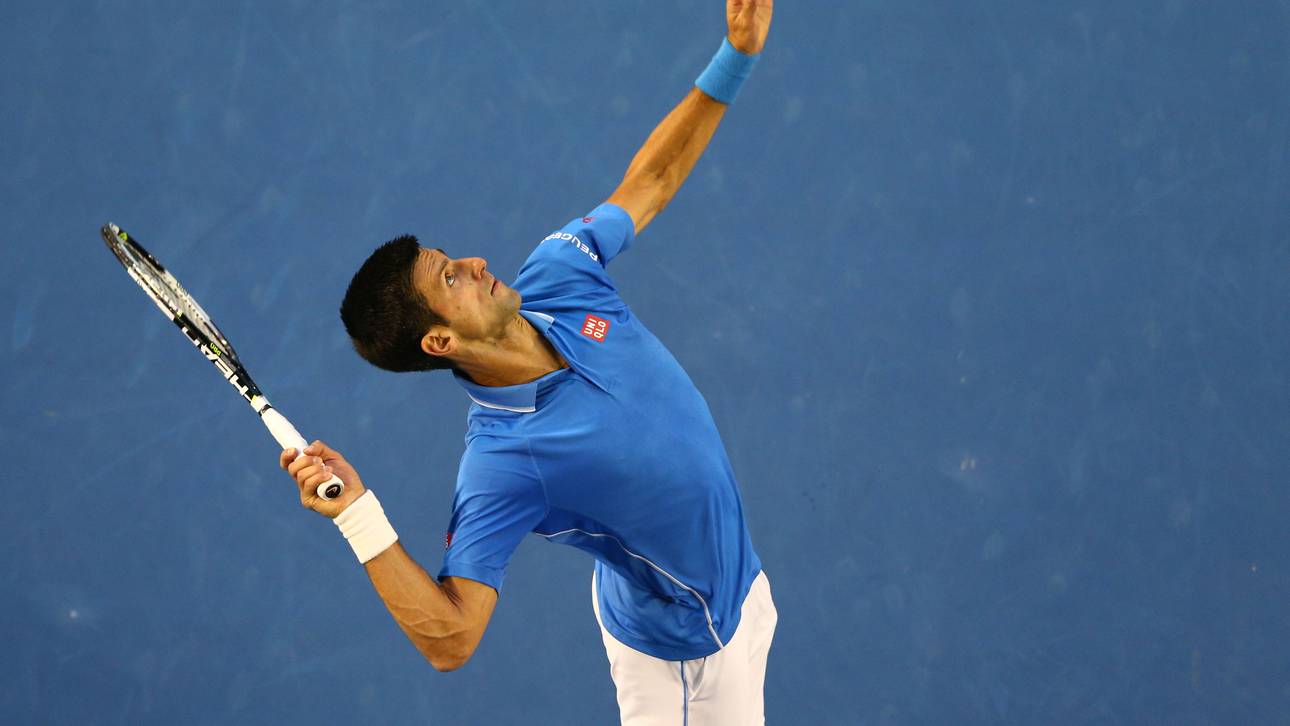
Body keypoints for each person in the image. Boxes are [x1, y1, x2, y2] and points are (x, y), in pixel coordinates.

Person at [280, 1, 776, 722]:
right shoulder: (504, 464)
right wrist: (356, 513)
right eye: (452, 278)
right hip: (682, 649)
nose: (476, 264)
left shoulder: (559, 272)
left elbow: (649, 184)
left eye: (453, 260)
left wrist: (735, 57)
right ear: (440, 342)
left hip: (729, 601)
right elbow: (451, 639)